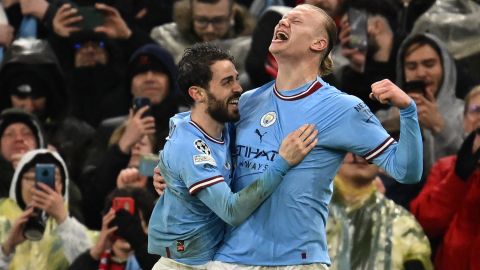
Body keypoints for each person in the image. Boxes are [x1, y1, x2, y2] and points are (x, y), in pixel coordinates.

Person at [209, 4, 422, 268]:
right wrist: (174, 175)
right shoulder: (247, 102)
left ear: (319, 43)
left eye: (295, 20)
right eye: (283, 20)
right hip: (231, 259)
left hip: (296, 262)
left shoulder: (341, 108)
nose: (282, 23)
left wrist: (408, 111)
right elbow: (216, 168)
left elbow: (406, 171)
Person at [148, 43, 318, 269]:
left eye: (236, 79)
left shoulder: (223, 125)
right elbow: (231, 211)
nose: (238, 88)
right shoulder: (188, 146)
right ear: (197, 93)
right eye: (227, 82)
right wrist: (283, 162)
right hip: (182, 265)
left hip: (217, 259)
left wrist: (165, 168)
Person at [410, 85, 480, 270]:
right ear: (464, 121)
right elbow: (423, 225)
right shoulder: (445, 168)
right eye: (476, 111)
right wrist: (458, 177)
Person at [327, 152, 433, 270]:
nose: (361, 154)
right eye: (350, 145)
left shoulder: (403, 225)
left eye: (370, 146)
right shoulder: (307, 214)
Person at [0, 149, 92, 269]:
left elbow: (92, 264)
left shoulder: (77, 230)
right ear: (18, 182)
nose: (38, 186)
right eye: (32, 178)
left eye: (50, 179)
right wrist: (7, 248)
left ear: (62, 186)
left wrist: (64, 222)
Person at [69, 187, 158, 270]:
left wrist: (139, 243)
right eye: (120, 220)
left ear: (147, 226)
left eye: (132, 222)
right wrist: (95, 252)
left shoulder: (158, 260)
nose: (125, 228)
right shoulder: (93, 259)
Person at [0, 108, 45, 198]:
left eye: (27, 133)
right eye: (9, 134)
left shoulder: (57, 178)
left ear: (39, 142)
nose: (19, 139)